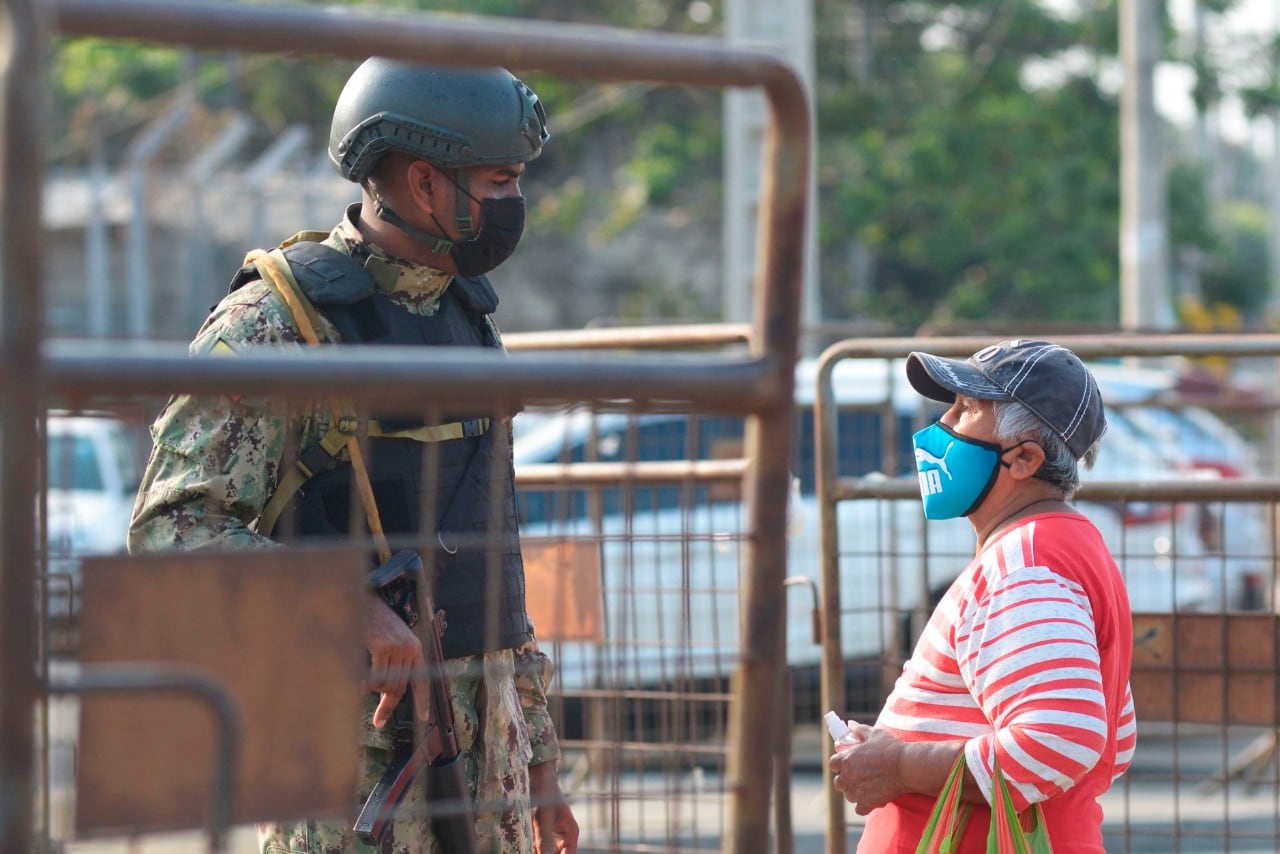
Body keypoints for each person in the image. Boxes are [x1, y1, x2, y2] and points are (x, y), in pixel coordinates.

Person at [128, 57, 579, 854]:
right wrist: (342, 604)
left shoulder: (469, 321)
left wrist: (538, 757)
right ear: (425, 184)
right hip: (350, 778)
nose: (517, 203)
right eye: (501, 181)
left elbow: (490, 557)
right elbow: (170, 533)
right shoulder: (277, 328)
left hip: (491, 775)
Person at [829, 339, 1136, 853]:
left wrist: (900, 765)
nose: (943, 424)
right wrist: (900, 749)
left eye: (967, 409)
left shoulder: (1025, 563)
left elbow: (1063, 738)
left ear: (1024, 459)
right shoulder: (1065, 547)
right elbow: (1113, 738)